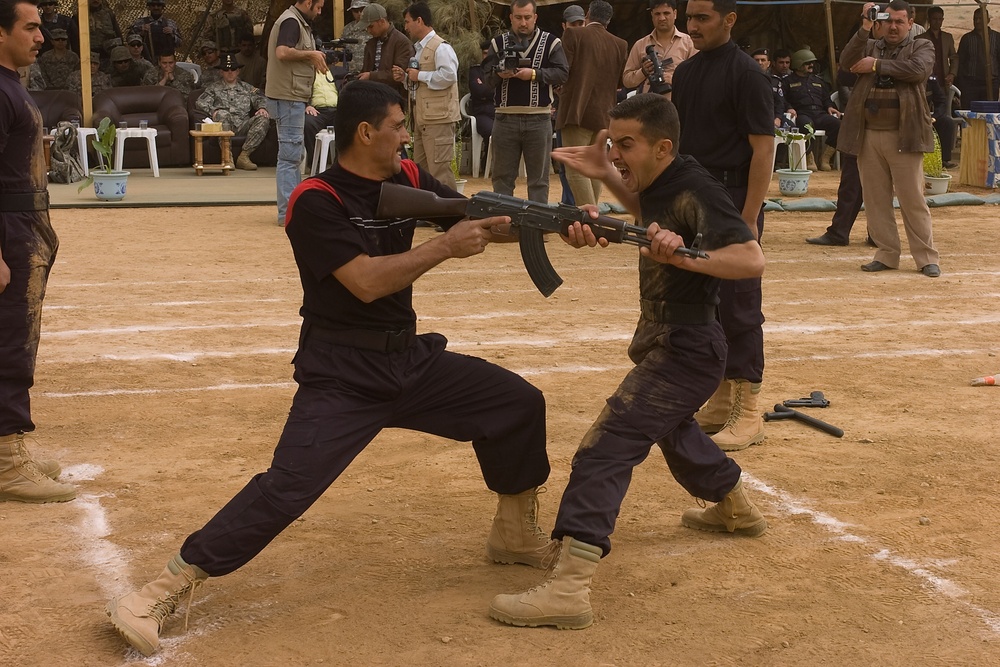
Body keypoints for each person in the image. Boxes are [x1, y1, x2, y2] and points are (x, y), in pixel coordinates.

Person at [105, 80, 551, 656]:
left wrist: (557, 223)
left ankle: (514, 534)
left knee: (516, 404)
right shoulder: (315, 200)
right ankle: (160, 588)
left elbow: (477, 216)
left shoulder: (408, 179)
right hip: (343, 371)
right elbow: (365, 282)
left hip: (407, 359)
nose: (405, 137)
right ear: (366, 133)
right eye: (397, 126)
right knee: (288, 487)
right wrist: (443, 248)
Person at [489, 93, 767, 630]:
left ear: (663, 146)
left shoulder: (696, 188)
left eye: (626, 144)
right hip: (669, 341)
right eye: (612, 142)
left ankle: (569, 586)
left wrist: (683, 254)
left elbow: (750, 257)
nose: (616, 152)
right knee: (673, 428)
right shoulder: (661, 181)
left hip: (689, 348)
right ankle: (736, 507)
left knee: (607, 445)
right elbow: (646, 216)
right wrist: (606, 184)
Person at [672, 0, 773, 451]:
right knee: (703, 304)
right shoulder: (688, 73)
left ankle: (748, 409)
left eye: (702, 19)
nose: (692, 27)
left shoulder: (748, 73)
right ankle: (719, 396)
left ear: (729, 20)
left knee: (739, 305)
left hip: (734, 200)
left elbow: (763, 148)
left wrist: (749, 217)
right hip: (695, 198)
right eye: (688, 19)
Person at [0, 0, 77, 504]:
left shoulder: (10, 86)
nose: (41, 36)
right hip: (10, 227)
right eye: (30, 27)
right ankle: (7, 462)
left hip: (25, 221)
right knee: (11, 341)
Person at [841, 0, 940, 278]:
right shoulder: (871, 44)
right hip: (869, 135)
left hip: (905, 136)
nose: (893, 26)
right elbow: (847, 62)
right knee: (875, 200)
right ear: (880, 22)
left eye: (899, 21)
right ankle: (886, 254)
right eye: (888, 21)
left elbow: (917, 70)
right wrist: (864, 26)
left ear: (910, 23)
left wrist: (876, 66)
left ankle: (926, 258)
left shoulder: (922, 46)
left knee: (912, 199)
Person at [482, 0, 568, 204]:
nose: (523, 22)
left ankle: (535, 228)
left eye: (527, 17)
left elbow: (563, 73)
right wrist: (499, 74)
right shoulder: (497, 43)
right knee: (502, 178)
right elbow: (486, 79)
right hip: (504, 118)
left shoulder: (551, 43)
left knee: (539, 179)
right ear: (510, 17)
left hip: (538, 118)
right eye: (518, 17)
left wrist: (534, 74)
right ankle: (502, 224)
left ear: (535, 17)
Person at [556, 0, 627, 206]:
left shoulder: (573, 34)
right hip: (605, 114)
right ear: (608, 20)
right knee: (595, 167)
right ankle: (593, 211)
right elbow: (620, 82)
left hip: (575, 112)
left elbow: (562, 72)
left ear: (588, 15)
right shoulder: (620, 44)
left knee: (576, 168)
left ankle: (590, 217)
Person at [265, 0, 328, 225]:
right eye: (318, 6)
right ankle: (288, 213)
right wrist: (310, 55)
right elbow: (282, 52)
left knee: (292, 155)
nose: (320, 12)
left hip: (290, 95)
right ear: (308, 2)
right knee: (290, 157)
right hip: (289, 96)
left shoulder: (294, 20)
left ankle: (290, 210)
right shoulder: (292, 21)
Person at [395, 2, 459, 190]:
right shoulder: (421, 48)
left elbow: (449, 76)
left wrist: (419, 76)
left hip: (439, 119)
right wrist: (405, 79)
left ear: (419, 20)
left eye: (407, 22)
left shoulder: (441, 47)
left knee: (440, 170)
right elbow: (421, 83)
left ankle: (450, 215)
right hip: (423, 118)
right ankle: (430, 213)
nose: (405, 26)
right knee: (423, 171)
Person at [196, 53, 269, 170]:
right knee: (222, 114)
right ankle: (227, 158)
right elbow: (201, 102)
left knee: (263, 117)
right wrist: (214, 111)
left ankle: (244, 156)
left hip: (243, 125)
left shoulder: (247, 88)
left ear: (238, 71)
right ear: (221, 72)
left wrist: (262, 108)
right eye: (226, 69)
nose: (230, 72)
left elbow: (261, 98)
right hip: (224, 125)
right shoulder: (213, 88)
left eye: (233, 69)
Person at [621, 0, 696, 97]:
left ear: (675, 14)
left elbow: (698, 78)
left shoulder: (689, 43)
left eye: (666, 13)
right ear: (652, 15)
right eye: (657, 14)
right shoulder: (640, 45)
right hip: (649, 106)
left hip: (679, 105)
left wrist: (674, 79)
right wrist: (643, 71)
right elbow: (627, 81)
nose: (662, 18)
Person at [785, 48, 841, 170]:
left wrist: (830, 106)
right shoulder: (787, 82)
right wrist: (789, 108)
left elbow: (826, 98)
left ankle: (825, 158)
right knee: (805, 125)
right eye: (807, 63)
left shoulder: (818, 81)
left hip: (820, 113)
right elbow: (782, 99)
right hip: (802, 114)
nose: (811, 65)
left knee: (838, 125)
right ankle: (809, 159)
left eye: (812, 63)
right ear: (798, 64)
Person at [357, 2, 413, 99]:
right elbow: (366, 70)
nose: (368, 30)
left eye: (371, 26)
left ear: (382, 21)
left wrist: (371, 76)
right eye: (366, 28)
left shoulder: (401, 42)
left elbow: (399, 76)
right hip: (372, 98)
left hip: (393, 99)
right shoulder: (371, 43)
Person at [956, 8, 1000, 106]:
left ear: (988, 20)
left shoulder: (996, 37)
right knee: (969, 112)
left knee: (989, 114)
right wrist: (962, 84)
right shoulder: (967, 39)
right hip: (971, 84)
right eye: (975, 19)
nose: (977, 21)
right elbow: (961, 62)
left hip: (991, 83)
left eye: (980, 18)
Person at [303, 64, 338, 166]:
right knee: (308, 124)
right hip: (316, 111)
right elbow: (299, 91)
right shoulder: (306, 73)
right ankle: (316, 162)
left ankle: (340, 162)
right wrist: (306, 105)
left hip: (336, 109)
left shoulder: (336, 72)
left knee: (349, 122)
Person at [918, 6, 958, 93]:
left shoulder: (948, 38)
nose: (937, 22)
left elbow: (954, 57)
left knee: (944, 105)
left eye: (940, 19)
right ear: (929, 19)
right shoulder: (920, 38)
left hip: (944, 81)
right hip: (926, 82)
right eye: (935, 19)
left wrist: (952, 74)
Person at [71, 0, 121, 70]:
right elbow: (74, 40)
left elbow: (118, 34)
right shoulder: (78, 16)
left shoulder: (109, 15)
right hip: (88, 57)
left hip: (107, 55)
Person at [467, 40, 495, 149]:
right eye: (485, 53)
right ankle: (486, 164)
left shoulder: (501, 71)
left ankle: (489, 163)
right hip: (482, 114)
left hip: (499, 112)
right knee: (492, 132)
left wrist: (486, 89)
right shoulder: (475, 71)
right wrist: (493, 89)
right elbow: (478, 91)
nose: (487, 56)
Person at [341, 0, 371, 76]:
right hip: (350, 74)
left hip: (369, 75)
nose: (359, 13)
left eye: (362, 10)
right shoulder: (347, 29)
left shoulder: (374, 28)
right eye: (356, 11)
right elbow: (343, 52)